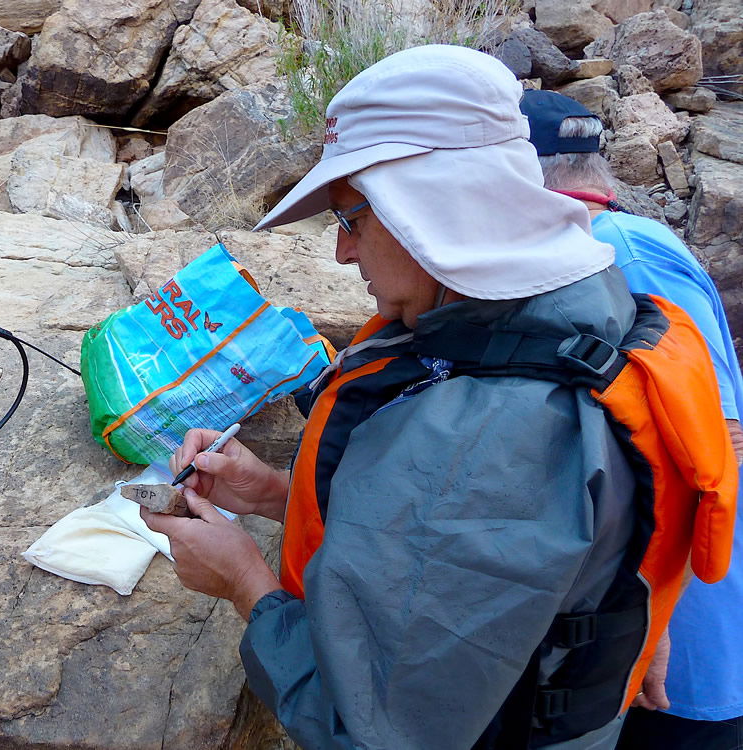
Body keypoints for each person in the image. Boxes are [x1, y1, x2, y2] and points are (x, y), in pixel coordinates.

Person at [140, 46, 727, 750]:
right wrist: (273, 493)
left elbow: (370, 730)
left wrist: (245, 583)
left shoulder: (492, 432)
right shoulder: (580, 312)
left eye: (351, 218)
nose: (341, 254)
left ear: (430, 206)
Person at [520, 88, 743, 750]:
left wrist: (650, 614)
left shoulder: (620, 254)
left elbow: (719, 439)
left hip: (683, 651)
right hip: (650, 633)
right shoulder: (616, 242)